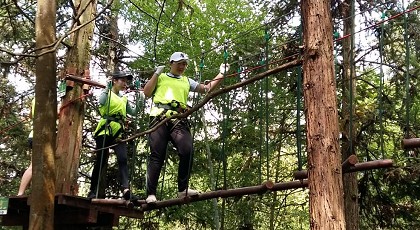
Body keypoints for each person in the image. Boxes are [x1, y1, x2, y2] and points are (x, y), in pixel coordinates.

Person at [143, 51, 229, 203]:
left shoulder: (186, 81)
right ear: (171, 63)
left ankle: (182, 190)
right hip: (158, 116)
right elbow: (147, 92)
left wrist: (221, 74)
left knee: (187, 150)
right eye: (179, 63)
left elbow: (206, 88)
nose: (182, 66)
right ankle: (151, 194)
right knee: (157, 156)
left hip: (178, 118)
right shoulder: (161, 77)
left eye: (184, 64)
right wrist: (156, 74)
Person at [87, 70, 141, 201]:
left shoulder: (124, 98)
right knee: (100, 161)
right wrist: (107, 88)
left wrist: (140, 99)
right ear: (114, 81)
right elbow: (102, 101)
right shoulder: (107, 93)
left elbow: (134, 112)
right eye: (122, 80)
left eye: (126, 81)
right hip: (105, 131)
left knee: (123, 160)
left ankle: (126, 189)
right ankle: (92, 190)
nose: (124, 83)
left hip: (118, 133)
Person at [17, 98, 35, 196]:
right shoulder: (46, 97)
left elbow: (31, 114)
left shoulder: (34, 99)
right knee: (33, 166)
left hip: (34, 135)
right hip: (39, 136)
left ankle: (21, 192)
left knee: (35, 166)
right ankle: (20, 193)